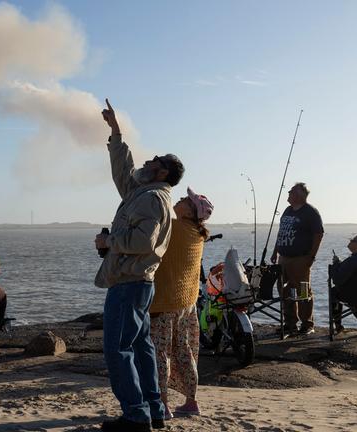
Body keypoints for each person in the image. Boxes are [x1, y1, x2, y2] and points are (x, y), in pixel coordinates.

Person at [94, 98, 185, 432]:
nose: (147, 160)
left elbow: (143, 242)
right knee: (141, 347)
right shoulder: (142, 192)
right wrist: (115, 131)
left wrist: (109, 243)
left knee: (117, 350)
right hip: (139, 284)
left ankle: (135, 416)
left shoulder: (150, 198)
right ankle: (154, 411)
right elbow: (123, 170)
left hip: (130, 283)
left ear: (162, 172)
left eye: (155, 160)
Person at [149, 188, 213, 420]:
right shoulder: (197, 232)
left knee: (160, 353)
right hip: (187, 302)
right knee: (185, 351)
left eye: (185, 200)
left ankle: (163, 405)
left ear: (190, 212)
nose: (180, 200)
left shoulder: (174, 228)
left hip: (166, 302)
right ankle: (191, 401)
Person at [270, 182, 324, 335]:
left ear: (299, 195)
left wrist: (311, 256)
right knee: (285, 291)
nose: (288, 193)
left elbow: (318, 234)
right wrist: (275, 252)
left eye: (291, 191)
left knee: (302, 291)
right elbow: (281, 233)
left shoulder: (310, 212)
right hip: (283, 258)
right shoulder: (287, 210)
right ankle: (290, 323)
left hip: (300, 258)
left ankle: (307, 324)